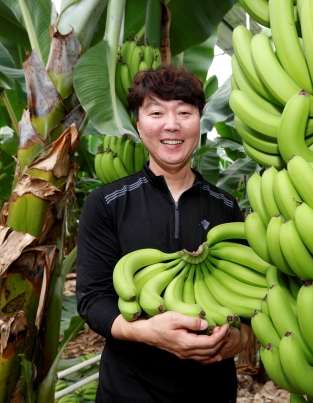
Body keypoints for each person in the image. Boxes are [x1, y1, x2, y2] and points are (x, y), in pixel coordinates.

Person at [76, 65, 250, 402]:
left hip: (211, 392)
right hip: (128, 392)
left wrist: (238, 339)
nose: (171, 124)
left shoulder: (226, 207)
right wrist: (146, 332)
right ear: (139, 125)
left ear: (200, 121)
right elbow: (93, 300)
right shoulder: (106, 204)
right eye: (156, 112)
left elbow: (245, 302)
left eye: (184, 112)